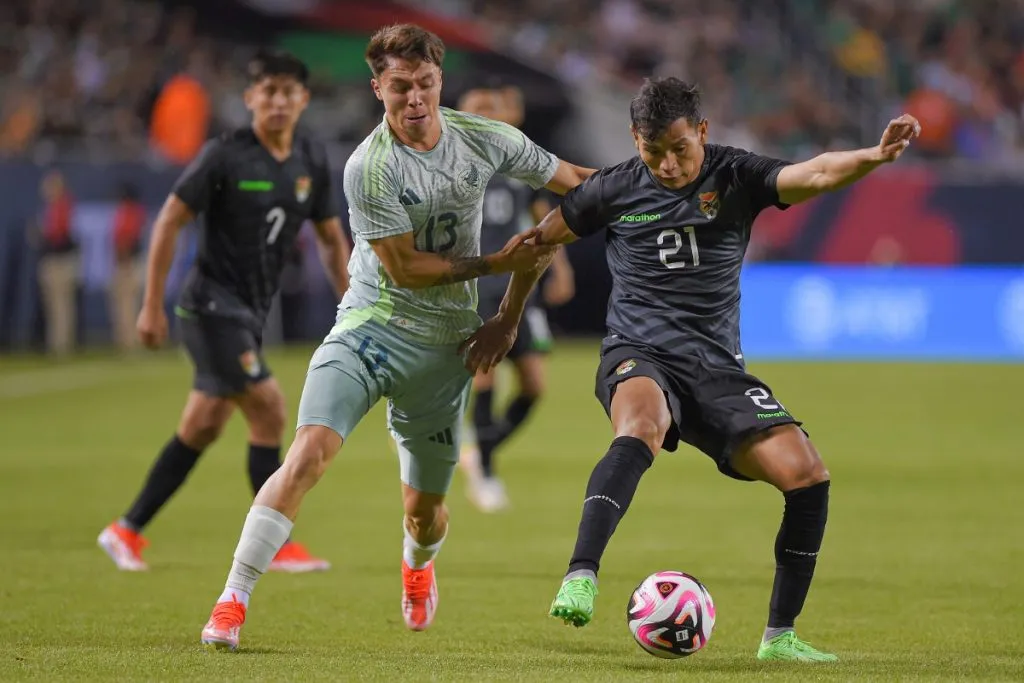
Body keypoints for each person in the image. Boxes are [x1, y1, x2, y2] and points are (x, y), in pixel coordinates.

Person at [198, 23, 593, 651]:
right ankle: (231, 600)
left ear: (439, 80)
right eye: (400, 86)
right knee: (305, 457)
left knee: (425, 511)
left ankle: (416, 564)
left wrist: (654, 188)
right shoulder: (367, 166)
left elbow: (573, 177)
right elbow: (406, 269)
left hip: (446, 346)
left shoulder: (482, 138)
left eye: (426, 84)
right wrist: (497, 265)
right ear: (377, 86)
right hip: (371, 327)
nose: (415, 99)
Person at [504, 77, 919, 662]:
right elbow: (539, 243)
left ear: (702, 131)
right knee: (640, 426)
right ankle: (581, 575)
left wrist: (873, 157)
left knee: (807, 475)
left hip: (718, 369)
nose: (669, 165)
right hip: (638, 350)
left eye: (680, 149)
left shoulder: (735, 174)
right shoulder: (613, 188)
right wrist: (505, 317)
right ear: (634, 140)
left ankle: (780, 638)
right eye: (654, 153)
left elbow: (817, 172)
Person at [97, 49, 350, 574]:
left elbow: (329, 237)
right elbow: (169, 219)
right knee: (270, 407)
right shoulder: (225, 155)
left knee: (201, 427)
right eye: (268, 91)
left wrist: (352, 301)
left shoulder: (309, 159)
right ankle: (275, 541)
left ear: (303, 100)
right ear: (250, 99)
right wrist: (150, 305)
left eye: (288, 92)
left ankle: (126, 530)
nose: (277, 101)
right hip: (210, 307)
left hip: (249, 314)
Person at [455, 84, 575, 512]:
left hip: (522, 286)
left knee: (533, 386)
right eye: (480, 109)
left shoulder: (520, 163)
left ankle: (478, 451)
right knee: (485, 376)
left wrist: (560, 268)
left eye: (495, 109)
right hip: (478, 286)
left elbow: (542, 218)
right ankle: (485, 472)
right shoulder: (451, 163)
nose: (492, 116)